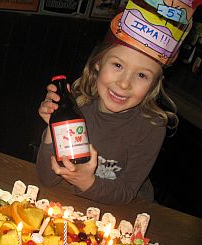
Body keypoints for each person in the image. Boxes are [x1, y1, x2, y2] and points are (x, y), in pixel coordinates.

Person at [35, 0, 200, 204]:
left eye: (141, 75)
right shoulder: (77, 108)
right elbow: (47, 179)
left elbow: (127, 193)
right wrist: (54, 128)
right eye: (118, 65)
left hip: (126, 214)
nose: (124, 84)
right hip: (73, 204)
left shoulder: (152, 127)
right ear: (98, 63)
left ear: (154, 84)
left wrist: (87, 182)